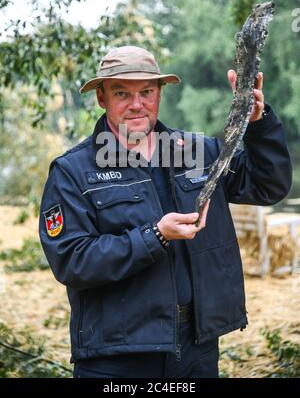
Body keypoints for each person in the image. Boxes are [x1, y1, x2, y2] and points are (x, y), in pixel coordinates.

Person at [39, 45, 292, 378]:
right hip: (118, 356)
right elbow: (71, 260)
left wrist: (257, 122)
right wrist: (155, 236)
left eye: (146, 92)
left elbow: (267, 186)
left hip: (195, 347)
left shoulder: (199, 152)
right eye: (121, 93)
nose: (136, 104)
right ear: (102, 97)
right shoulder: (73, 170)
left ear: (159, 93)